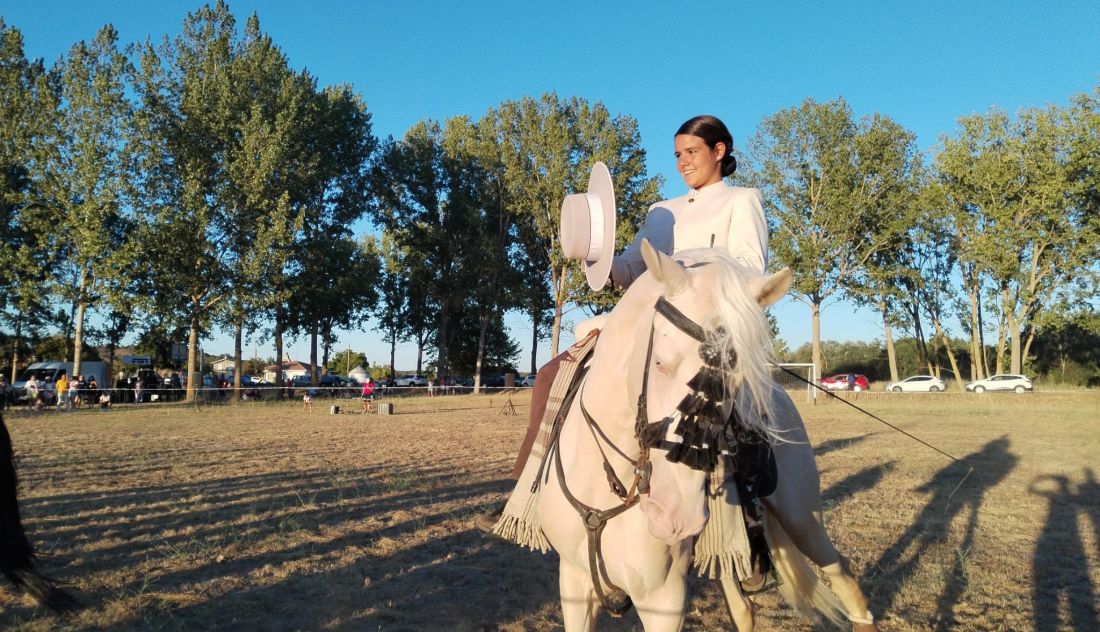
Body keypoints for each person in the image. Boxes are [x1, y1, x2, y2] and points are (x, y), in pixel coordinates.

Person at [476, 114, 769, 530]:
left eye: (692, 152)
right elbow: (634, 265)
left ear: (719, 151)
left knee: (730, 410)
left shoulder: (742, 201)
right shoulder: (662, 211)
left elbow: (749, 269)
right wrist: (602, 262)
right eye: (677, 155)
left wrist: (687, 273)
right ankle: (528, 491)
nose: (683, 162)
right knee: (548, 377)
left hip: (704, 332)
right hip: (646, 323)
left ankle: (752, 517)